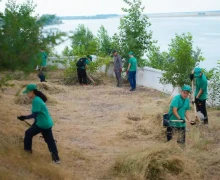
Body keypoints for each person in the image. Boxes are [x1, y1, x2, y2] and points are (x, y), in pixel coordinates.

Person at [17, 84, 60, 164]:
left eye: (27, 92)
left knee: (28, 133)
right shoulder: (38, 98)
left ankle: (27, 152)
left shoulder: (36, 100)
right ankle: (56, 159)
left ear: (32, 92)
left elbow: (35, 115)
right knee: (50, 141)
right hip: (47, 122)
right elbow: (38, 116)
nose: (27, 94)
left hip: (42, 124)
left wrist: (24, 117)